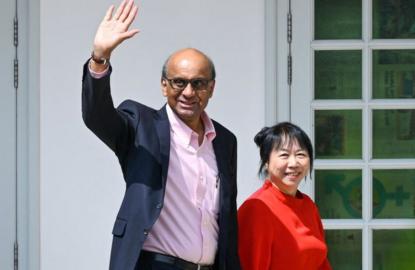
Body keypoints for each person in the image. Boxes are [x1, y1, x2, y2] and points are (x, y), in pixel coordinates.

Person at [81, 1, 240, 269]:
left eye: (198, 83)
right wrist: (99, 59)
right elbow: (97, 116)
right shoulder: (141, 125)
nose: (188, 92)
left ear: (211, 88)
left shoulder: (224, 140)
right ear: (164, 86)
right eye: (179, 82)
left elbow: (225, 218)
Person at [238, 122, 332, 270]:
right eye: (284, 155)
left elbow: (321, 263)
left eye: (301, 154)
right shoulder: (257, 208)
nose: (294, 163)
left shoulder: (308, 205)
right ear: (267, 162)